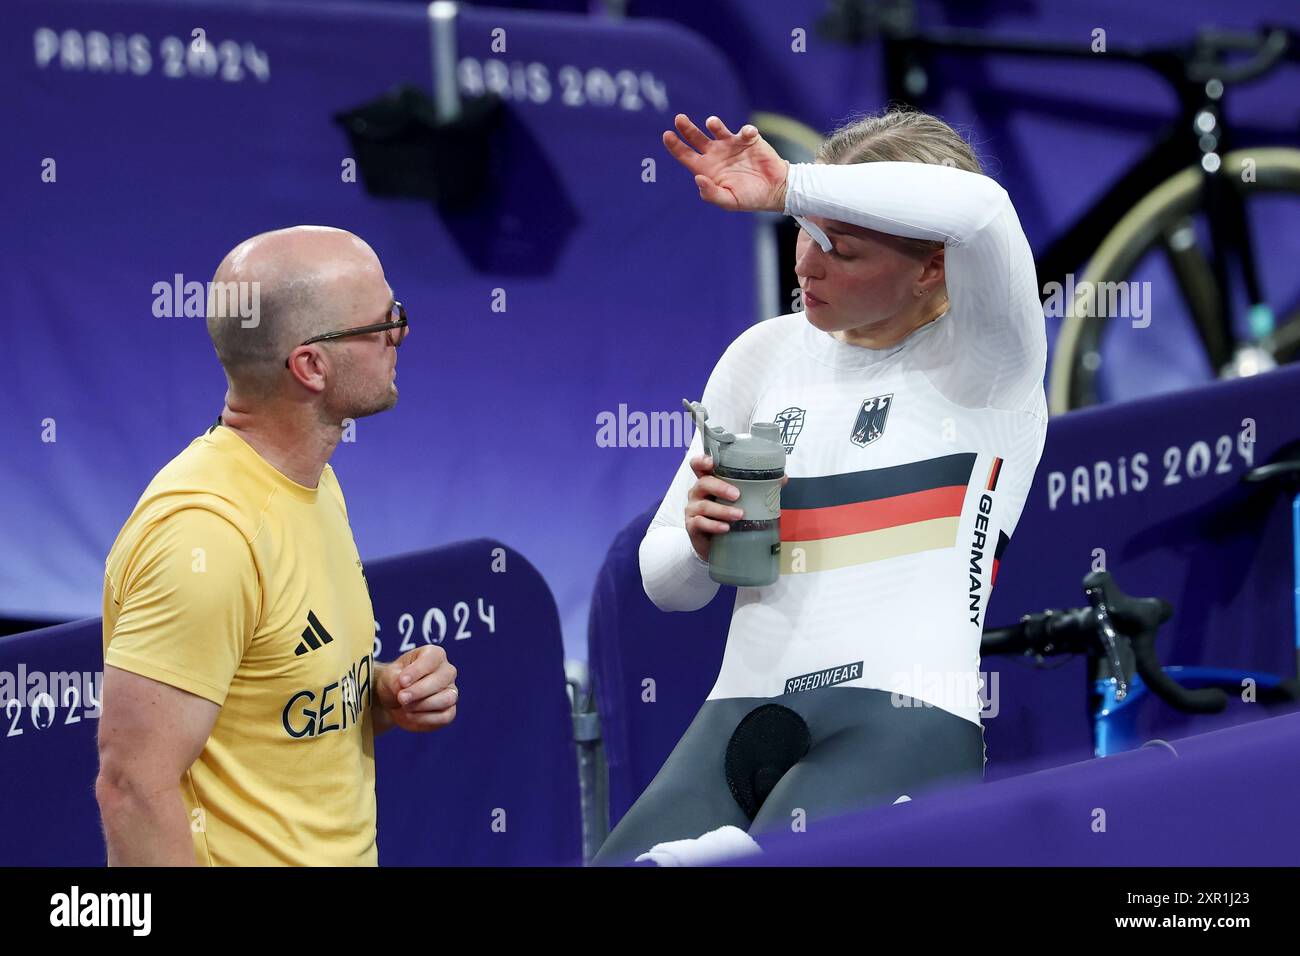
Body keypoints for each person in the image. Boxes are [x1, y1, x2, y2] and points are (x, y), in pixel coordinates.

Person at [593, 110, 1048, 864]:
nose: (807, 264)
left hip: (901, 726)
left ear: (932, 266)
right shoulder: (764, 354)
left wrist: (792, 183)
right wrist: (700, 543)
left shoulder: (987, 360)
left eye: (843, 247)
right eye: (804, 230)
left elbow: (985, 212)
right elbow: (666, 585)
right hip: (732, 720)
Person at [96, 226, 458, 866]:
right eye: (382, 323)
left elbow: (266, 705)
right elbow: (131, 787)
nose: (400, 334)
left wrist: (381, 692)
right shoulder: (204, 537)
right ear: (311, 366)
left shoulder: (313, 484)